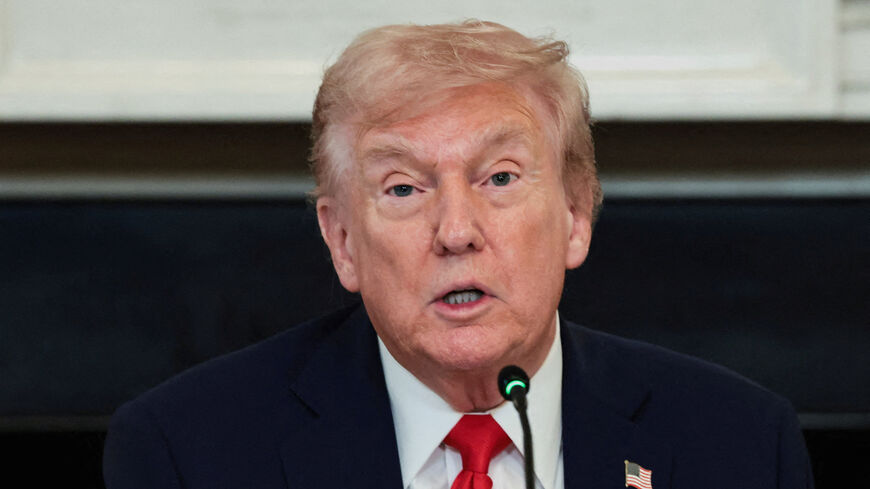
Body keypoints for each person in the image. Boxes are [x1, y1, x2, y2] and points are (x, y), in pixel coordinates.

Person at [103, 20, 813, 489]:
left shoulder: (740, 444)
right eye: (404, 188)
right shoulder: (188, 453)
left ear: (575, 214)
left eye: (499, 178)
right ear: (342, 241)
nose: (456, 230)